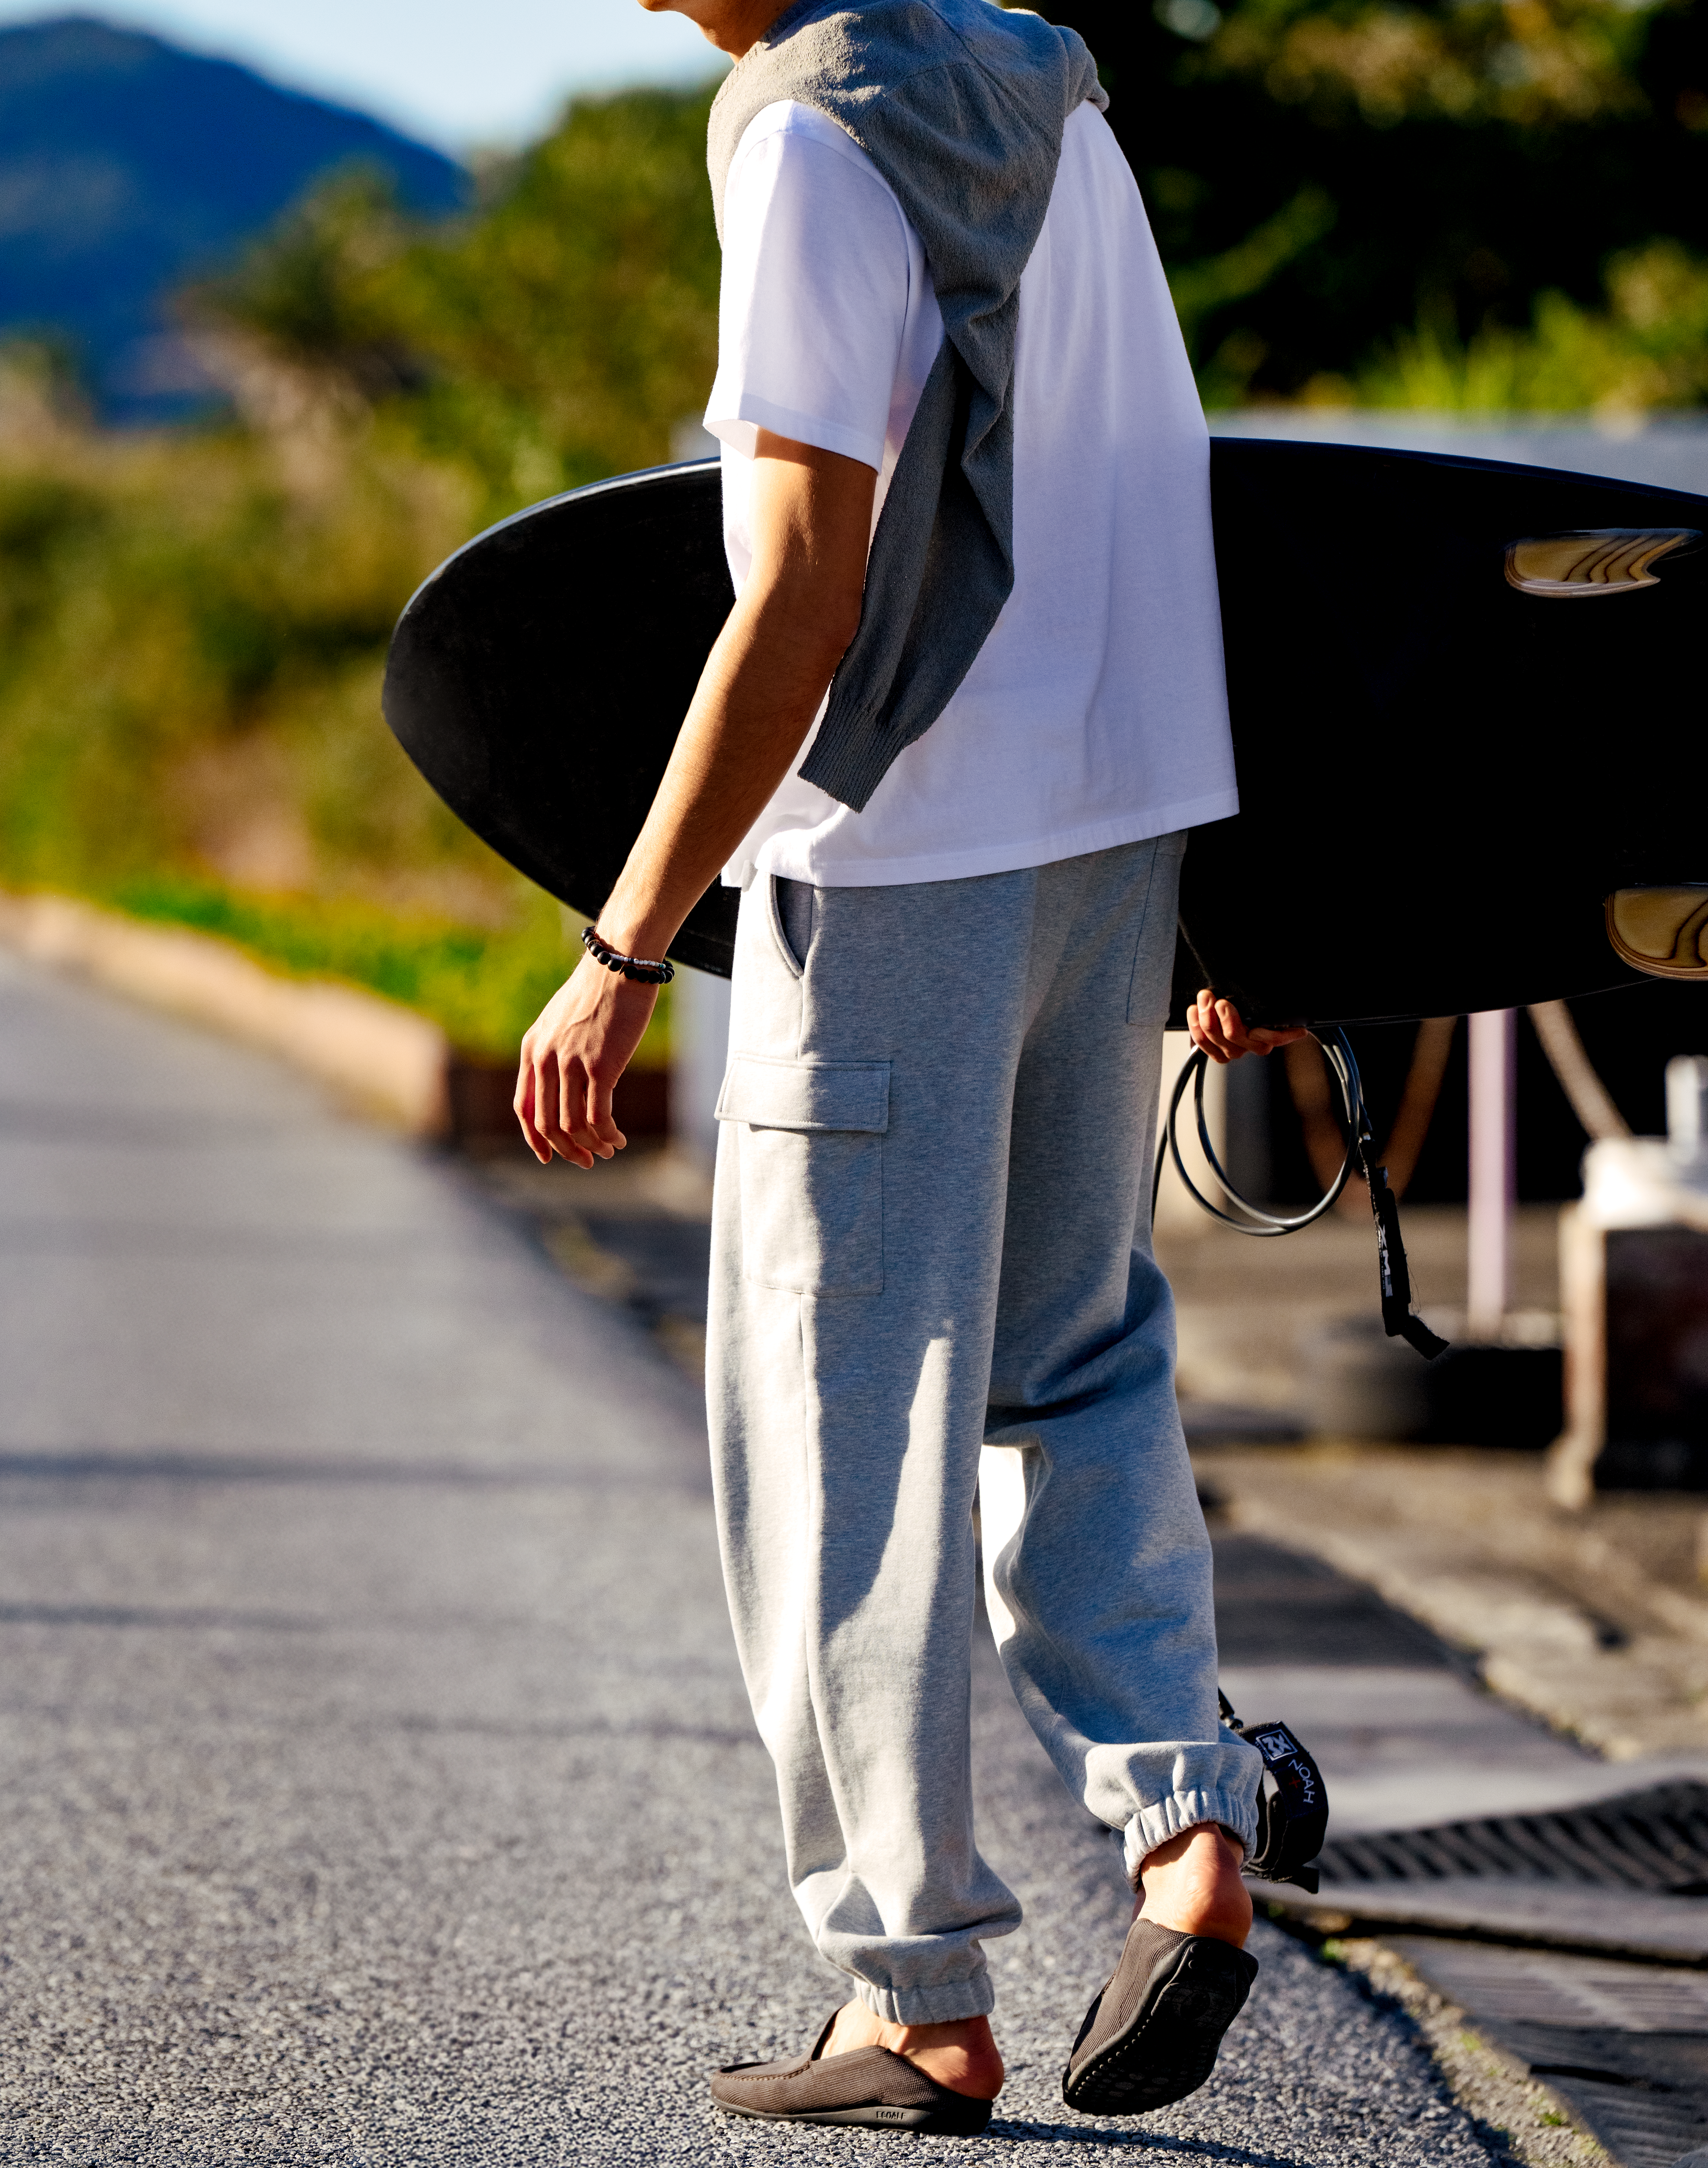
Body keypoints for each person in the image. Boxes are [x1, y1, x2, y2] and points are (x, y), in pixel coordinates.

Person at [515, 0, 1308, 2135]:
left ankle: (912, 1992)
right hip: (1113, 823)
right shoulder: (1053, 97)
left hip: (888, 870)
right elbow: (1155, 501)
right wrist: (1227, 896)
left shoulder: (801, 145)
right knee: (1072, 1354)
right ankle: (1186, 1829)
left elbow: (794, 581)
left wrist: (622, 943)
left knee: (835, 1423)